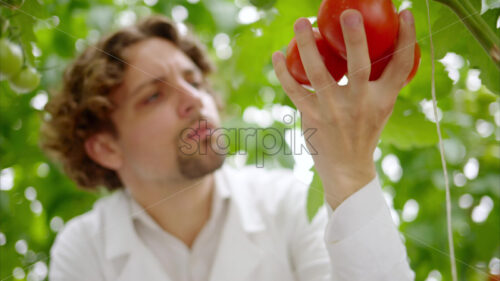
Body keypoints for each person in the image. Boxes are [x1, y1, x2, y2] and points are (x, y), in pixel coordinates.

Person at [42, 8, 417, 281]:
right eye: (153, 96)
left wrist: (350, 175)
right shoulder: (83, 249)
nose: (194, 99)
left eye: (194, 81)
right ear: (106, 147)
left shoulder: (287, 204)